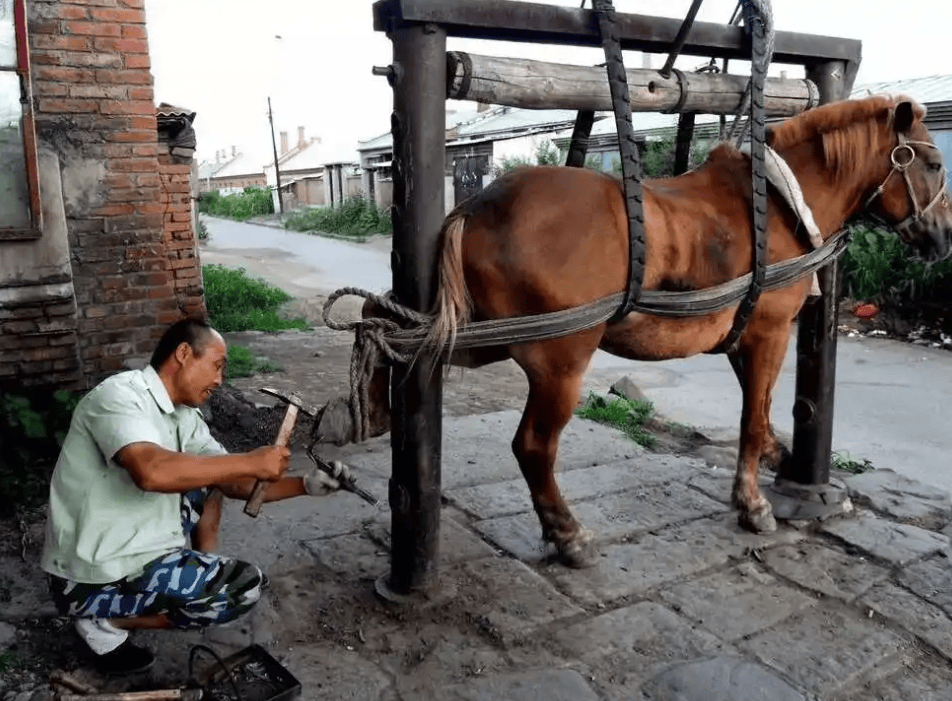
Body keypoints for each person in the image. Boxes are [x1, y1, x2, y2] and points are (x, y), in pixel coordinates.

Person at [40, 317, 348, 675]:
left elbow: (232, 482)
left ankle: (194, 576)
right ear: (184, 354)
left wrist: (305, 485)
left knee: (212, 477)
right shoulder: (119, 396)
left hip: (136, 549)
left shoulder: (184, 417)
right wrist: (249, 459)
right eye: (217, 366)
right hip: (89, 576)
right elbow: (150, 472)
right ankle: (105, 624)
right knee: (242, 587)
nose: (219, 380)